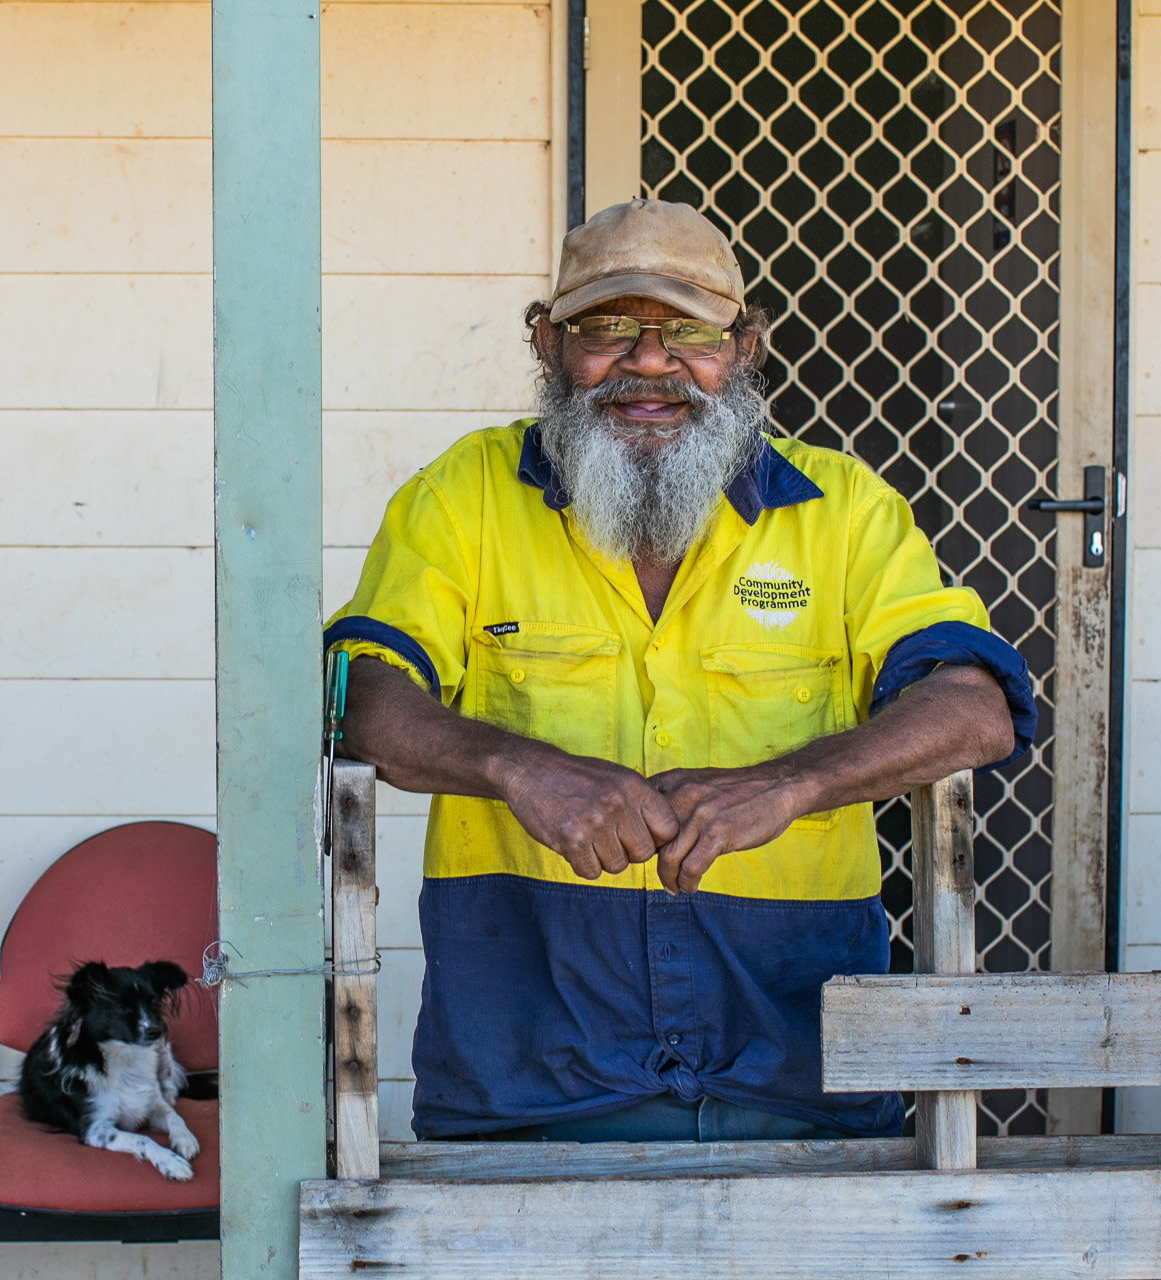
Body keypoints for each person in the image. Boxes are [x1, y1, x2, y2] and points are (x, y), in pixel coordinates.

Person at [324, 198, 1035, 1144]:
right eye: (608, 328)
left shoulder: (843, 513)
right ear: (547, 342)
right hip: (535, 1075)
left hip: (796, 1070)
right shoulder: (464, 499)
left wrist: (792, 784)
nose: (650, 363)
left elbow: (973, 708)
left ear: (745, 345)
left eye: (688, 332)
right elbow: (359, 698)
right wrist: (518, 767)